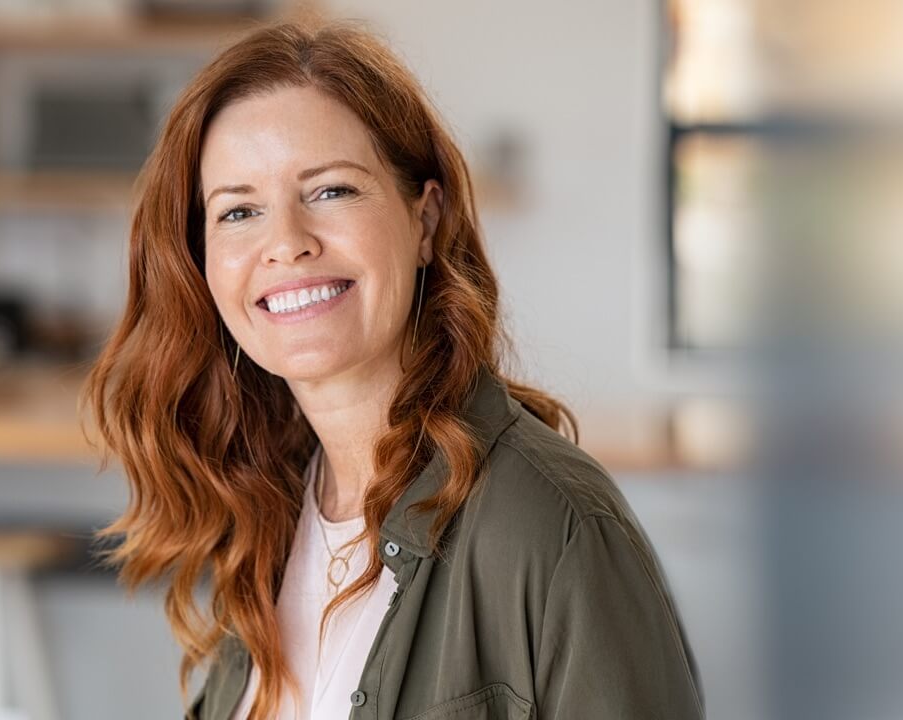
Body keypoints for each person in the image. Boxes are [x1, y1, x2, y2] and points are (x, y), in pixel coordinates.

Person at [82, 16, 704, 720]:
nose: (285, 243)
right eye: (239, 211)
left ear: (426, 220)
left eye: (331, 191)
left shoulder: (552, 529)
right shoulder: (266, 512)